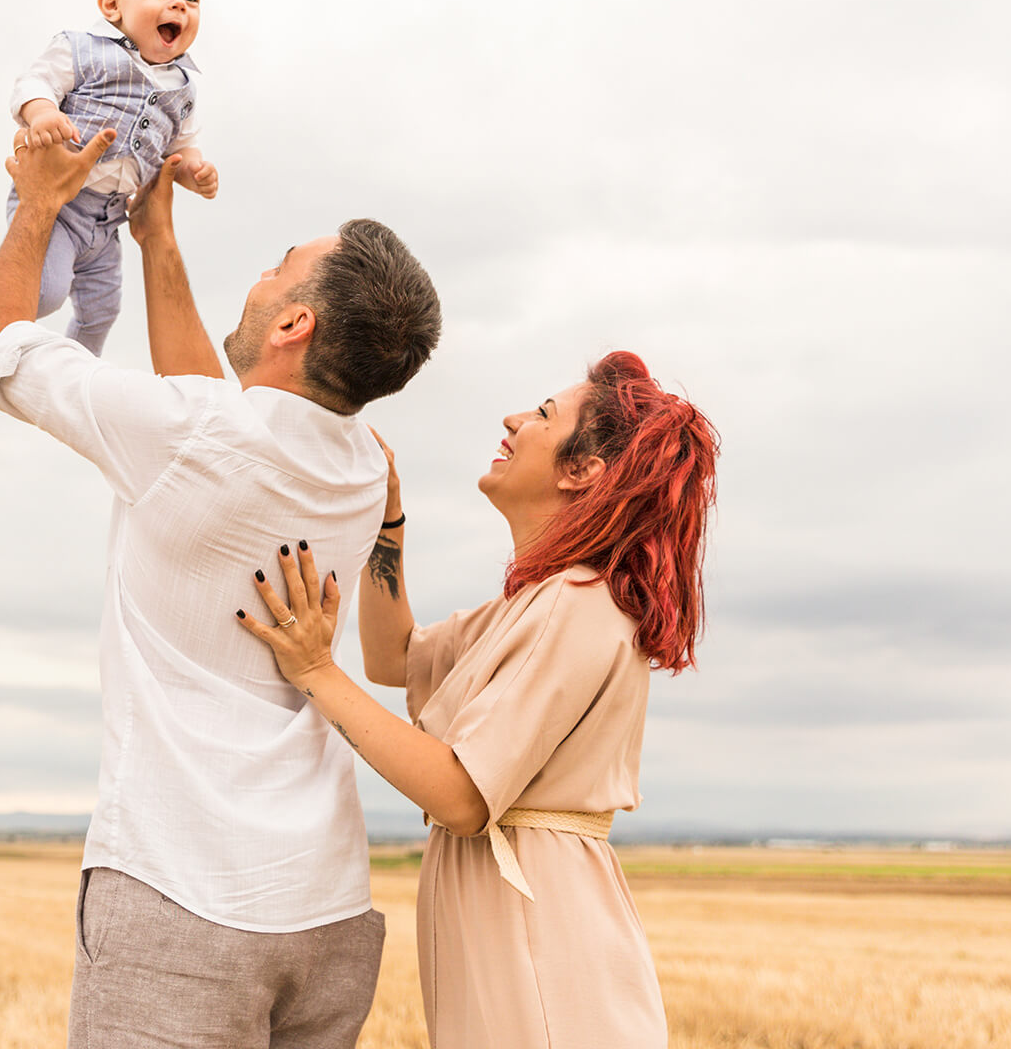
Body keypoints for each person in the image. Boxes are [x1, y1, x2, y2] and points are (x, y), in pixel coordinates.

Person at [0, 126, 441, 1049]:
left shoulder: (193, 437)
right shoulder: (368, 473)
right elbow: (220, 413)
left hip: (183, 895)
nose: (260, 281)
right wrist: (156, 235)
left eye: (276, 271)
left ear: (296, 324)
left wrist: (39, 202)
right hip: (327, 910)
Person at [238, 354, 718, 1049]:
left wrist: (315, 669)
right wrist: (387, 522)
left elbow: (462, 795)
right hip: (519, 917)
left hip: (539, 933)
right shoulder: (532, 605)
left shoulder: (576, 605)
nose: (513, 420)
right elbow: (393, 657)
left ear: (580, 469)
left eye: (543, 415)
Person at [0, 0, 219, 359]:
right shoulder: (82, 50)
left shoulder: (185, 89)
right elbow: (33, 83)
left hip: (108, 223)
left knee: (102, 310)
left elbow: (182, 148)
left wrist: (195, 172)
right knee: (46, 293)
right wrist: (43, 113)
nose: (179, 5)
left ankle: (77, 368)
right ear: (112, 6)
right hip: (59, 205)